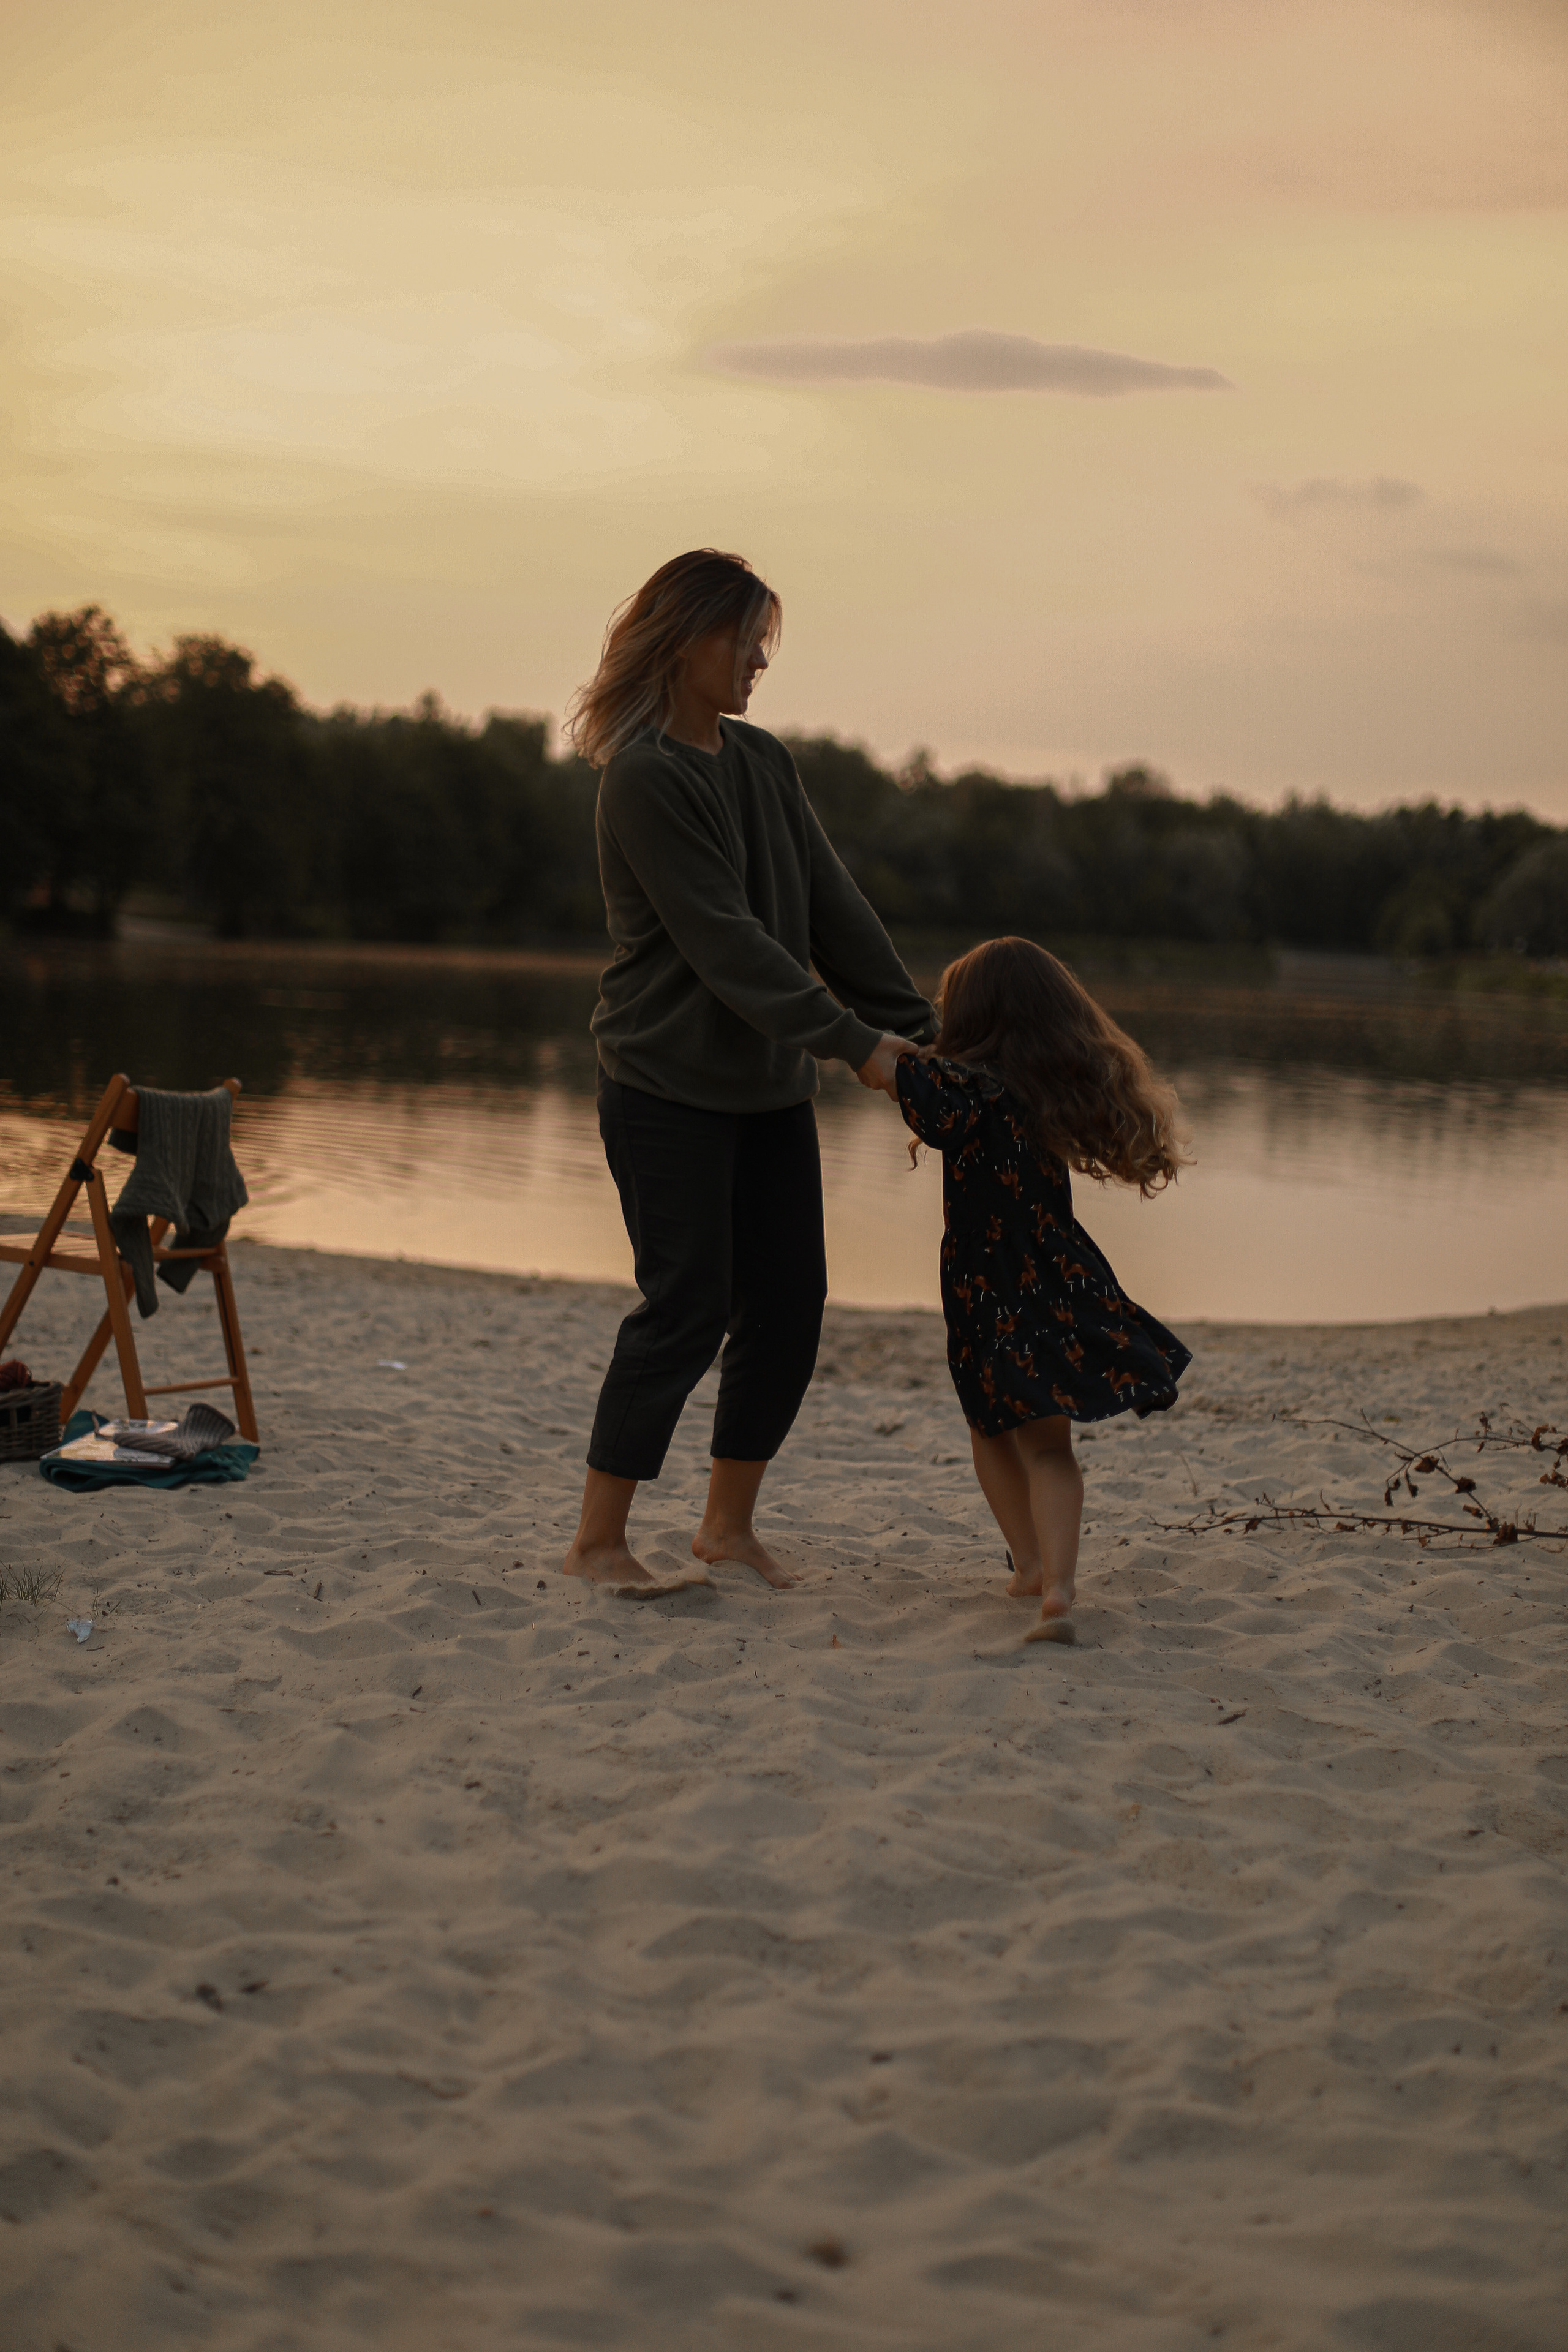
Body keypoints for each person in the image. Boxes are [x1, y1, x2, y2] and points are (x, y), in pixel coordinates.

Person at [561, 549, 935, 1593]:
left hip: (769, 1091)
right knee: (685, 1306)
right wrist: (859, 1046)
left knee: (789, 1306)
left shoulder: (764, 763)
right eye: (743, 638)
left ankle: (726, 1527)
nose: (760, 659)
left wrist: (925, 1030)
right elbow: (725, 943)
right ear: (684, 641)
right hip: (662, 1085)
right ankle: (596, 1544)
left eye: (766, 641)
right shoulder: (641, 778)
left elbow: (831, 909)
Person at [892, 937, 1191, 1643]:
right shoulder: (1045, 1091)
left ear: (969, 1017)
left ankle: (1027, 1565)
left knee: (988, 1423)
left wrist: (878, 1045)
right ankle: (1057, 1584)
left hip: (984, 1289)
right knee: (1050, 1446)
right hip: (1054, 1279)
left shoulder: (958, 1092)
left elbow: (894, 1078)